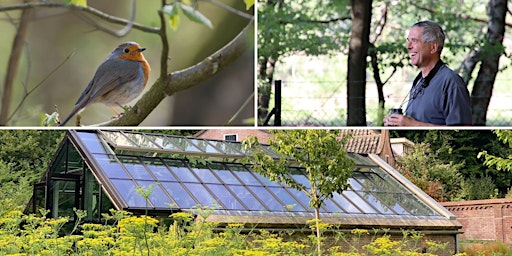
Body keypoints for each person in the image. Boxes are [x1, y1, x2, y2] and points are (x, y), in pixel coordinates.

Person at [384, 20, 472, 126]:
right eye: (408, 41)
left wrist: (414, 125)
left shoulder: (451, 82)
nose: (408, 46)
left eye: (414, 41)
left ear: (433, 47)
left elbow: (462, 131)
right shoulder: (419, 81)